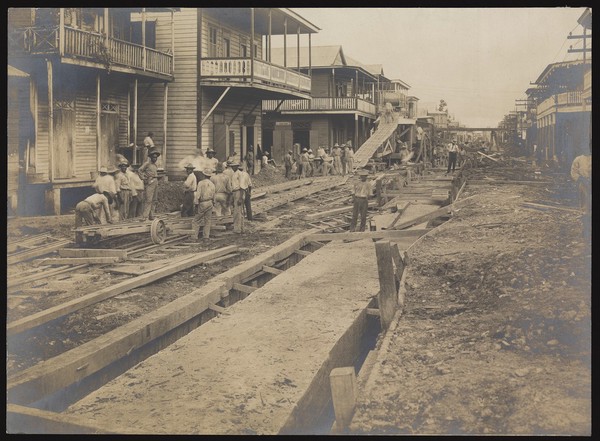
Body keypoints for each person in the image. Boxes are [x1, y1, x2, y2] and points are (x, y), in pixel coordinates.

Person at [191, 168, 215, 241]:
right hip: (210, 202)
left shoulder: (201, 183)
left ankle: (194, 237)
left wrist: (196, 204)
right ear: (210, 176)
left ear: (204, 175)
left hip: (202, 202)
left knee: (196, 220)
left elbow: (198, 195)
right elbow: (214, 195)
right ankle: (206, 237)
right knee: (207, 220)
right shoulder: (212, 184)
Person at [138, 147, 161, 220]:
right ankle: (144, 216)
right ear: (150, 157)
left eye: (156, 157)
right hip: (150, 182)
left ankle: (151, 215)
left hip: (155, 182)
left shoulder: (155, 165)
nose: (155, 159)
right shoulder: (147, 164)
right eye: (153, 157)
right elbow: (140, 170)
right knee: (148, 199)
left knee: (154, 200)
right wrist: (143, 178)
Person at [229, 160, 245, 233]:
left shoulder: (240, 174)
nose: (232, 168)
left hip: (239, 192)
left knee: (237, 212)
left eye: (234, 166)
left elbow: (242, 186)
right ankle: (241, 228)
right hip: (235, 192)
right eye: (232, 166)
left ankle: (237, 229)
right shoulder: (234, 174)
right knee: (237, 211)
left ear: (237, 166)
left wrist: (240, 198)